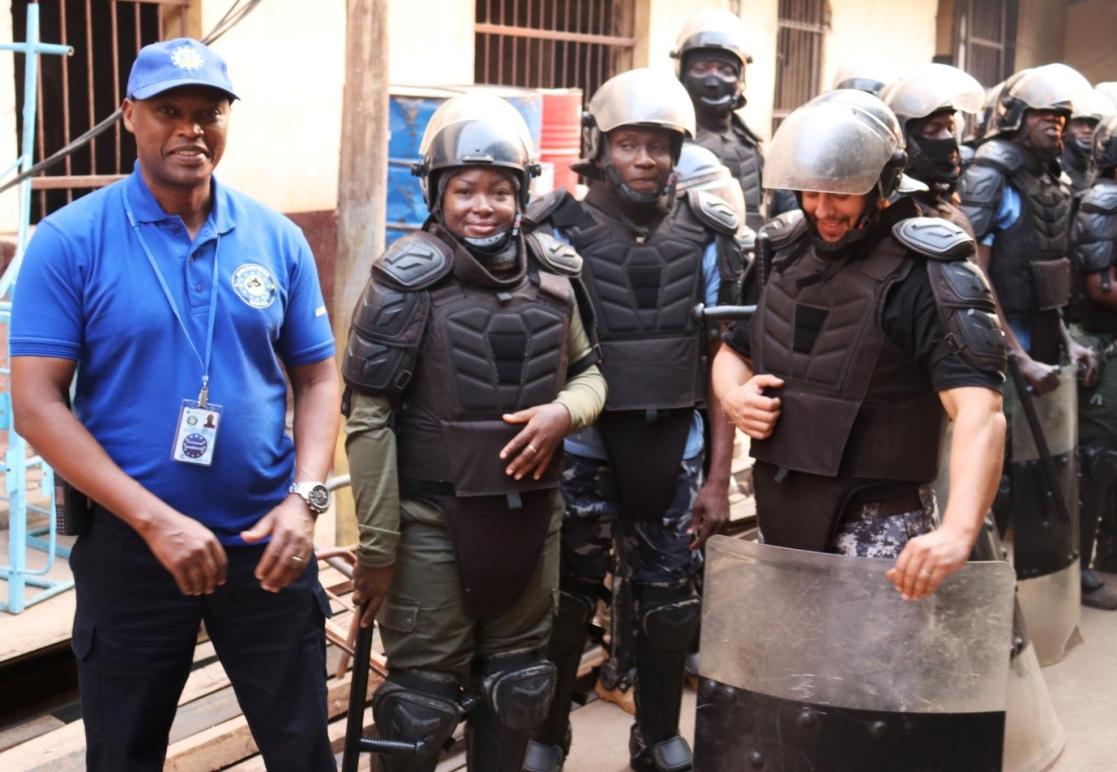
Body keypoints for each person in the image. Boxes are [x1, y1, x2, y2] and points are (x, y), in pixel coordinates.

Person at [10, 39, 339, 771]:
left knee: (300, 750)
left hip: (268, 546)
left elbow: (318, 379)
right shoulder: (71, 240)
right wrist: (155, 520)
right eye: (169, 111)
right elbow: (34, 403)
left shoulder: (275, 238)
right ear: (130, 116)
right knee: (124, 753)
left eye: (209, 112)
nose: (191, 128)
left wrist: (305, 500)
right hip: (134, 551)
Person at [340, 93, 605, 772]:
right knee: (418, 708)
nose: (481, 205)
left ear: (522, 195)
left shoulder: (555, 274)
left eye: (498, 190)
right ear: (436, 192)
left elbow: (591, 376)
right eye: (464, 190)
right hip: (431, 526)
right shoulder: (404, 284)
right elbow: (369, 419)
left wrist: (562, 413)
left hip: (530, 521)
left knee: (518, 688)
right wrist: (377, 546)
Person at [522, 67, 741, 772]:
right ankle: (545, 736)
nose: (644, 160)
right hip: (581, 452)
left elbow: (724, 363)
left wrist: (716, 481)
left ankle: (657, 735)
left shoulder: (708, 234)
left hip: (674, 444)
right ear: (601, 145)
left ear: (678, 150)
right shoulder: (553, 228)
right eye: (628, 145)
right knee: (561, 606)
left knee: (670, 603)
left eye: (658, 145)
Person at [713, 88, 1007, 597]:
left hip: (878, 525)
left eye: (841, 194)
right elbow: (731, 353)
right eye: (810, 192)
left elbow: (981, 411)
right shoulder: (783, 253)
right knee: (790, 672)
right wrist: (734, 397)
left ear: (882, 185)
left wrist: (959, 529)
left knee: (872, 677)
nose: (822, 210)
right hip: (781, 512)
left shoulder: (931, 272)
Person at [957, 63, 1100, 617]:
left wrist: (1067, 343)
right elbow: (976, 273)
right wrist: (1015, 356)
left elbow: (1047, 277)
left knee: (1044, 471)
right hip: (998, 341)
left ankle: (1030, 594)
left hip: (1039, 337)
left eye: (1063, 118)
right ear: (1016, 117)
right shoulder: (993, 173)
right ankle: (982, 595)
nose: (1057, 126)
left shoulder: (1054, 178)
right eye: (1046, 115)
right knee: (995, 475)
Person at [671, 7, 795, 229]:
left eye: (725, 70)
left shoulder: (751, 140)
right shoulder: (669, 137)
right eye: (701, 68)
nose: (713, 80)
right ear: (682, 72)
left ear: (740, 77)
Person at [1069, 112, 1117, 609]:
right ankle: (1079, 569)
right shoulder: (1105, 200)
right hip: (1101, 342)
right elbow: (1101, 288)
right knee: (1097, 460)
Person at [881, 63, 986, 233]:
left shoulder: (948, 208)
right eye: (932, 130)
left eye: (950, 129)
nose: (948, 139)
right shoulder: (885, 214)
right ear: (902, 141)